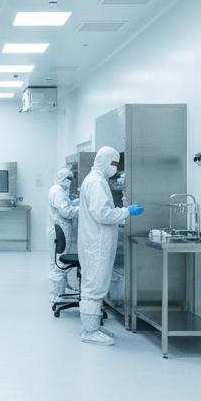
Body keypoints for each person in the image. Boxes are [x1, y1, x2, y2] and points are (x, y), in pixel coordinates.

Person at [77, 146, 143, 346]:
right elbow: (102, 214)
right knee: (94, 288)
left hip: (96, 242)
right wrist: (126, 212)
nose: (115, 168)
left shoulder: (96, 179)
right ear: (106, 161)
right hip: (96, 245)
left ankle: (93, 326)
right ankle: (89, 331)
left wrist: (120, 211)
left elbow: (102, 210)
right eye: (114, 164)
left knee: (96, 286)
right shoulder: (96, 181)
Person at [47, 167, 79, 302]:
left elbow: (65, 207)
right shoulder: (57, 191)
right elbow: (66, 212)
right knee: (58, 264)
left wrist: (72, 203)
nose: (71, 182)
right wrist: (82, 208)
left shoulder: (58, 190)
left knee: (59, 261)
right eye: (69, 178)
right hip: (59, 231)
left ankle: (63, 288)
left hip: (61, 230)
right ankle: (55, 295)